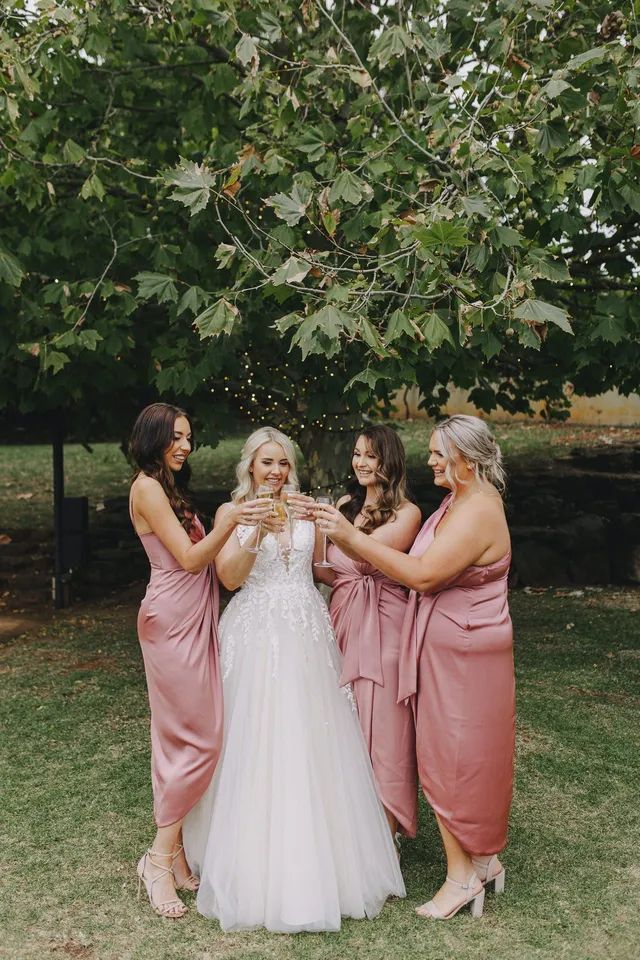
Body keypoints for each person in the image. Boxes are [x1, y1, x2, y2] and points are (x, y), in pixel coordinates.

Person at [182, 426, 405, 933]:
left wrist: (372, 572)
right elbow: (230, 578)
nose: (276, 472)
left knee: (313, 740)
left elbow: (326, 567)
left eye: (283, 463)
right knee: (252, 739)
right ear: (250, 468)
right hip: (254, 633)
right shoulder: (231, 513)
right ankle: (243, 859)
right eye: (266, 463)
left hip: (307, 632)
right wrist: (256, 529)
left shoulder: (307, 509)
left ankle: (326, 862)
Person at [315, 415, 515, 922]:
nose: (428, 461)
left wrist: (348, 536)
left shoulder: (479, 511)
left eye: (437, 454)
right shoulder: (458, 501)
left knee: (451, 758)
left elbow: (424, 576)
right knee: (454, 754)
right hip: (448, 648)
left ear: (466, 461)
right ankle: (483, 860)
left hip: (467, 653)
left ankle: (461, 878)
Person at [129, 403, 271, 919]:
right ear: (154, 438)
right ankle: (158, 859)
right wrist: (230, 519)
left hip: (196, 617)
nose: (186, 446)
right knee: (196, 737)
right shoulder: (145, 486)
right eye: (177, 437)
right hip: (171, 621)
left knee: (190, 733)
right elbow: (190, 559)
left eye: (189, 437)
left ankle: (181, 854)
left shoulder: (169, 487)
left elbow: (209, 563)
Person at [314, 425, 422, 843]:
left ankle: (387, 831)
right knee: (345, 722)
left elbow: (367, 555)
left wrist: (339, 530)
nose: (360, 462)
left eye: (370, 456)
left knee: (387, 730)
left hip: (385, 628)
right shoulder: (344, 505)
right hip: (341, 621)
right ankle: (350, 830)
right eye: (357, 453)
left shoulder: (407, 513)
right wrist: (303, 545)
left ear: (388, 461)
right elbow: (329, 570)